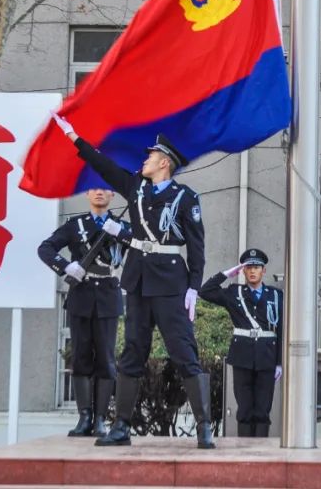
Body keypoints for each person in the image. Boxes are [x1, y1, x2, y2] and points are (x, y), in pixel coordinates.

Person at [51, 114, 215, 449]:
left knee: (184, 352)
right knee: (131, 353)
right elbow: (103, 164)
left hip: (171, 282)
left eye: (150, 156)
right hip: (138, 280)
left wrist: (193, 289)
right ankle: (121, 426)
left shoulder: (185, 198)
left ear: (164, 162)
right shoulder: (136, 188)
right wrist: (73, 137)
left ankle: (203, 427)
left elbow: (197, 248)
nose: (144, 160)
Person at [37, 188, 126, 438]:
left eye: (104, 189)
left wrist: (123, 234)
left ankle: (100, 419)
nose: (99, 193)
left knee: (107, 361)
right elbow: (45, 249)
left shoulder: (120, 226)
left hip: (108, 296)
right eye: (94, 189)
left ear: (112, 195)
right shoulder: (75, 226)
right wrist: (66, 266)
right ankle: (84, 417)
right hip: (81, 296)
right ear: (88, 195)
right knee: (80, 357)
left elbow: (142, 249)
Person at [200, 248, 283, 437]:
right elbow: (205, 291)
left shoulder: (276, 296)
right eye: (248, 268)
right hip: (242, 357)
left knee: (262, 410)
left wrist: (279, 362)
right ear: (243, 271)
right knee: (244, 410)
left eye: (257, 267)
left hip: (267, 357)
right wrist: (226, 274)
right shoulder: (233, 292)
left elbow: (282, 330)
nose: (253, 271)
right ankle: (244, 452)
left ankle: (260, 453)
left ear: (264, 271)